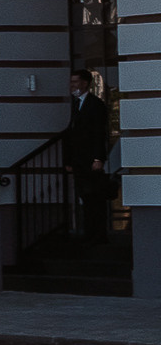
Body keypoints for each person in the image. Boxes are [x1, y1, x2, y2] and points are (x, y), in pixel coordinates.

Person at [64, 70, 110, 244]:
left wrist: (98, 158)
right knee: (85, 196)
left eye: (75, 82)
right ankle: (89, 233)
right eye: (71, 82)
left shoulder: (95, 105)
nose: (72, 86)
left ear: (84, 83)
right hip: (79, 160)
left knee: (95, 197)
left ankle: (98, 234)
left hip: (91, 160)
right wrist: (69, 160)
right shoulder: (75, 104)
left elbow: (99, 133)